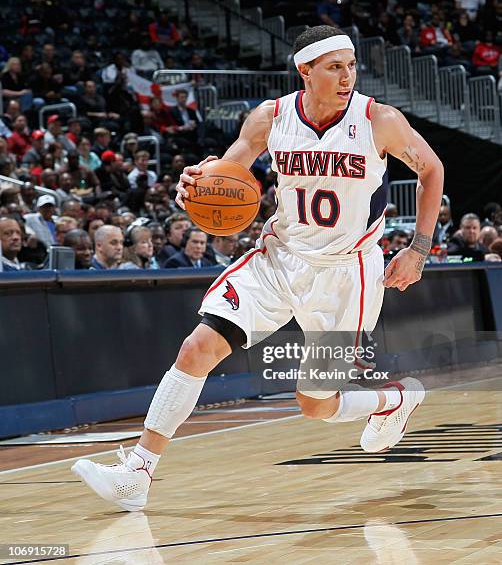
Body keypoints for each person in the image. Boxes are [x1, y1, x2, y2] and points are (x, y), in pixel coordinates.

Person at [72, 25, 444, 511]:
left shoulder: (380, 120)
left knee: (314, 404)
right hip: (279, 257)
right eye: (334, 67)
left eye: (351, 66)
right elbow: (230, 173)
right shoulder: (271, 117)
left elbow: (431, 169)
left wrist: (418, 248)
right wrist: (199, 185)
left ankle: (393, 400)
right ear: (305, 71)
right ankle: (138, 471)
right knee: (196, 346)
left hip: (345, 274)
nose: (347, 76)